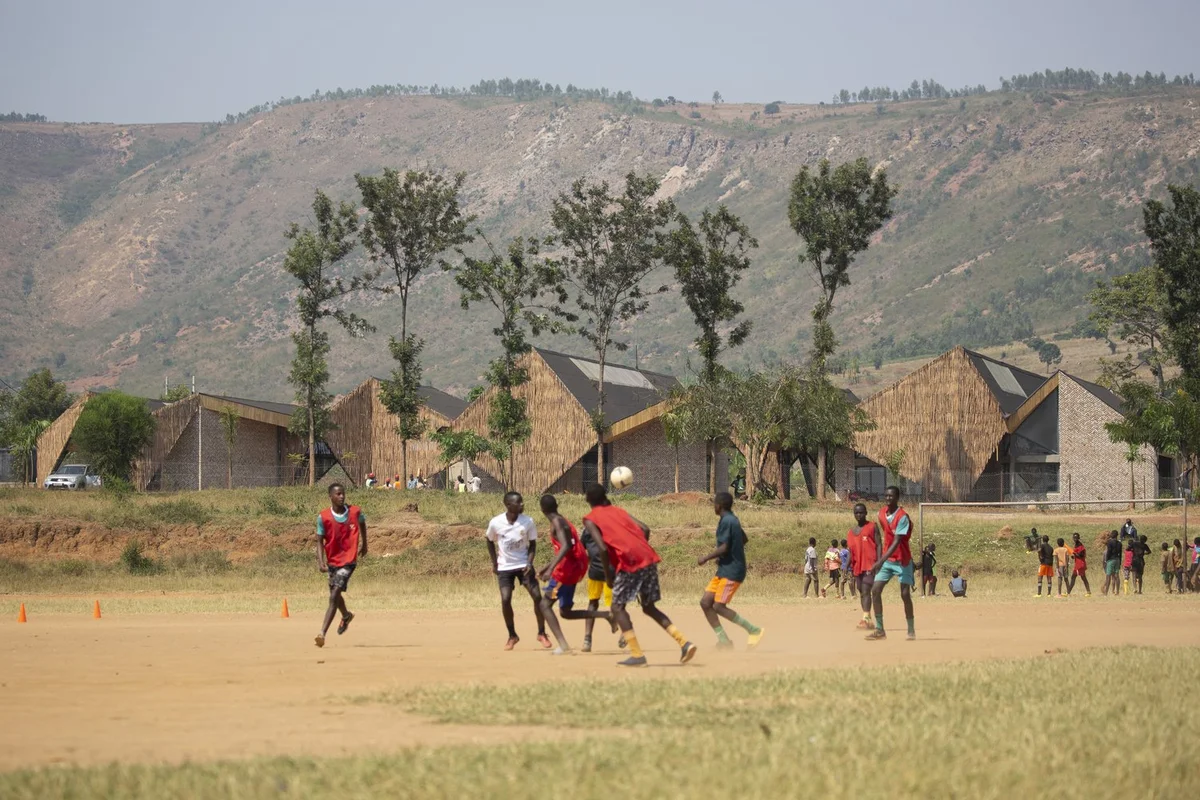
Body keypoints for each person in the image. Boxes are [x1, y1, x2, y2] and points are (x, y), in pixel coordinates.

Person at [583, 483, 696, 667]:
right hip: (648, 557)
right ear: (605, 496)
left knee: (618, 607)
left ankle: (637, 655)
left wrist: (609, 576)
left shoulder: (590, 519)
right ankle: (684, 643)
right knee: (649, 607)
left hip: (630, 562)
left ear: (588, 500)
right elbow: (645, 529)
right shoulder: (620, 511)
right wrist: (637, 546)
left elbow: (602, 549)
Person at [537, 494, 611, 654]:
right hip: (574, 569)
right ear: (556, 505)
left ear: (542, 509)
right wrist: (547, 566)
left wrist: (551, 570)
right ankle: (605, 615)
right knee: (566, 612)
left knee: (544, 605)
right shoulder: (562, 520)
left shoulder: (557, 522)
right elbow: (566, 547)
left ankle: (563, 645)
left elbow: (565, 547)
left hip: (565, 573)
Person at [697, 491, 765, 651]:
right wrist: (729, 554)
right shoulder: (731, 519)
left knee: (718, 606)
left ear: (718, 506)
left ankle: (753, 630)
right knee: (706, 602)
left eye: (714, 504)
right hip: (725, 568)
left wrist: (706, 557)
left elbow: (725, 546)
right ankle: (724, 641)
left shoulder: (728, 521)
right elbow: (743, 538)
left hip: (732, 570)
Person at [485, 492, 552, 651]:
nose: (522, 504)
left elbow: (533, 544)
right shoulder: (496, 522)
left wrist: (529, 562)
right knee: (506, 599)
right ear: (509, 505)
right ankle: (512, 635)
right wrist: (495, 563)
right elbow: (489, 540)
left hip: (523, 565)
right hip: (505, 567)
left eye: (522, 502)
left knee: (537, 597)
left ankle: (541, 633)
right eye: (518, 502)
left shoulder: (528, 521)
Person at [314, 482, 367, 648]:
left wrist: (365, 544)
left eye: (343, 493)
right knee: (335, 594)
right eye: (338, 494)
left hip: (349, 560)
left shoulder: (354, 511)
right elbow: (319, 542)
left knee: (334, 594)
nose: (342, 496)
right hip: (333, 560)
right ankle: (346, 616)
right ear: (331, 497)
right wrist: (321, 562)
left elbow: (362, 523)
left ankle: (322, 633)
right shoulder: (323, 517)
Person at [866, 486, 916, 641]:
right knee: (875, 590)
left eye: (891, 496)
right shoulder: (881, 513)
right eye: (886, 496)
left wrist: (878, 562)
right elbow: (886, 538)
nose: (888, 498)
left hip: (902, 560)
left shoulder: (902, 517)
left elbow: (896, 542)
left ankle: (911, 629)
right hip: (888, 560)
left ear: (897, 497)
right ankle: (880, 629)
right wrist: (881, 559)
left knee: (905, 594)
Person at [579, 522, 620, 653]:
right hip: (604, 573)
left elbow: (582, 551)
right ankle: (588, 639)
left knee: (593, 604)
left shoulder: (588, 530)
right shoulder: (612, 528)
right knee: (614, 606)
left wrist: (589, 562)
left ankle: (587, 639)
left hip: (602, 572)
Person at [847, 502, 880, 629]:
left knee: (866, 590)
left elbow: (879, 545)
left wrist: (879, 561)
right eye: (856, 512)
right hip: (857, 567)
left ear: (866, 513)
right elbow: (851, 551)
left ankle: (865, 619)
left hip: (870, 566)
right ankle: (868, 618)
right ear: (854, 514)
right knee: (861, 592)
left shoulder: (872, 526)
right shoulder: (851, 532)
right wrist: (846, 566)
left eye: (861, 512)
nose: (859, 515)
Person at [1102, 531, 1122, 597]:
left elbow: (1109, 552)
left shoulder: (1109, 542)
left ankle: (1106, 593)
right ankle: (1118, 592)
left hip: (1111, 560)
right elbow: (1120, 554)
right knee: (1117, 576)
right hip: (1117, 559)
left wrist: (1107, 560)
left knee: (1108, 577)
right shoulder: (1119, 543)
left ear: (1112, 535)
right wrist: (1120, 563)